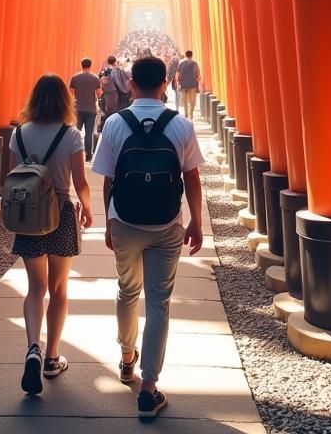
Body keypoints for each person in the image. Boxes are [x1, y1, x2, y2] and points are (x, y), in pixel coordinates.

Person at [92, 56, 204, 420]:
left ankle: (127, 358)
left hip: (124, 219)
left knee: (127, 290)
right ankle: (149, 387)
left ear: (133, 83)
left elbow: (107, 178)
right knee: (159, 304)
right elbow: (192, 178)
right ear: (164, 84)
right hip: (167, 225)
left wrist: (109, 221)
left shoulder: (114, 123)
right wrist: (196, 222)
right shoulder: (181, 125)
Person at [9, 74, 94, 396]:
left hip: (29, 215)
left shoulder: (18, 134)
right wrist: (87, 209)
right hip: (60, 214)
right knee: (58, 289)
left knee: (35, 288)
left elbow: (12, 177)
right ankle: (52, 356)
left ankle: (33, 346)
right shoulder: (71, 135)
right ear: (64, 100)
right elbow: (80, 181)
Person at [69, 57, 100, 161]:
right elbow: (99, 92)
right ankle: (88, 154)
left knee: (75, 131)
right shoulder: (95, 78)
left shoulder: (75, 77)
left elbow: (71, 92)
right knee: (89, 132)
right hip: (91, 109)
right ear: (90, 65)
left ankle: (73, 152)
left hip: (77, 108)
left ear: (81, 65)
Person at [176, 50, 201, 121]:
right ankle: (191, 115)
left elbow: (178, 73)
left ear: (185, 55)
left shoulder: (180, 62)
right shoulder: (194, 63)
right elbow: (197, 73)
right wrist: (199, 80)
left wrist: (178, 82)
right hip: (192, 84)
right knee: (192, 101)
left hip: (183, 84)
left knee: (185, 101)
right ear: (191, 55)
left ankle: (186, 115)